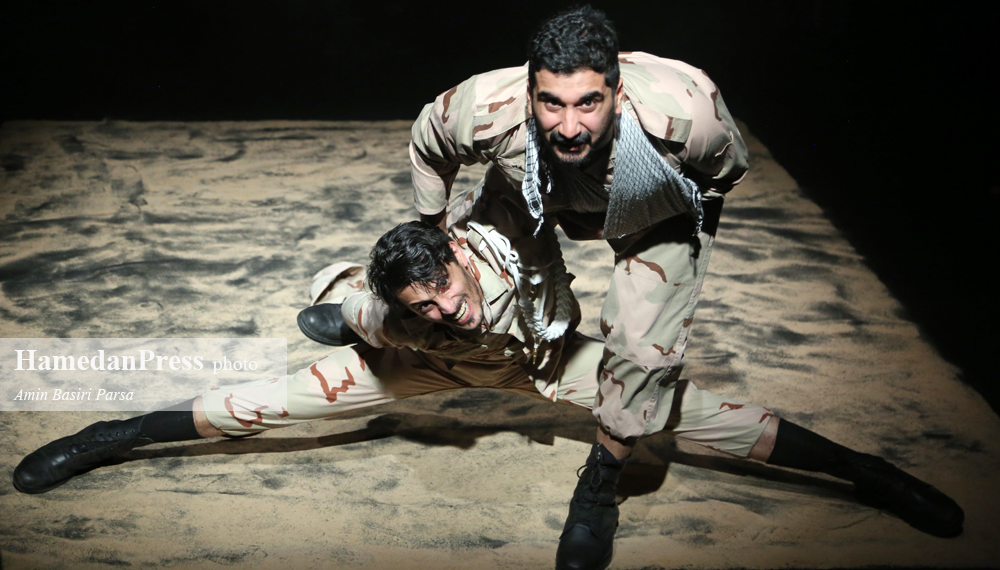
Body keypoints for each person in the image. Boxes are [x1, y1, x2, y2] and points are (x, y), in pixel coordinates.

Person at [301, 5, 964, 569]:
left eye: (588, 102)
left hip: (651, 207)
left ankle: (603, 482)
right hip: (531, 192)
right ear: (530, 93)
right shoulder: (483, 107)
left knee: (641, 355)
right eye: (552, 103)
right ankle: (366, 312)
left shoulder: (688, 116)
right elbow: (429, 141)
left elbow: (724, 173)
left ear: (616, 93)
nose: (569, 125)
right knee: (458, 284)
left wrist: (643, 230)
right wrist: (433, 231)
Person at [13, 219, 776, 508]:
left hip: (539, 361)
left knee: (681, 407)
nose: (448, 304)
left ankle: (846, 467)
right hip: (426, 367)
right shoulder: (405, 316)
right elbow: (385, 311)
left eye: (446, 283)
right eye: (425, 300)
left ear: (460, 255)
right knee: (269, 398)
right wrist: (365, 314)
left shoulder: (515, 271)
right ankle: (118, 432)